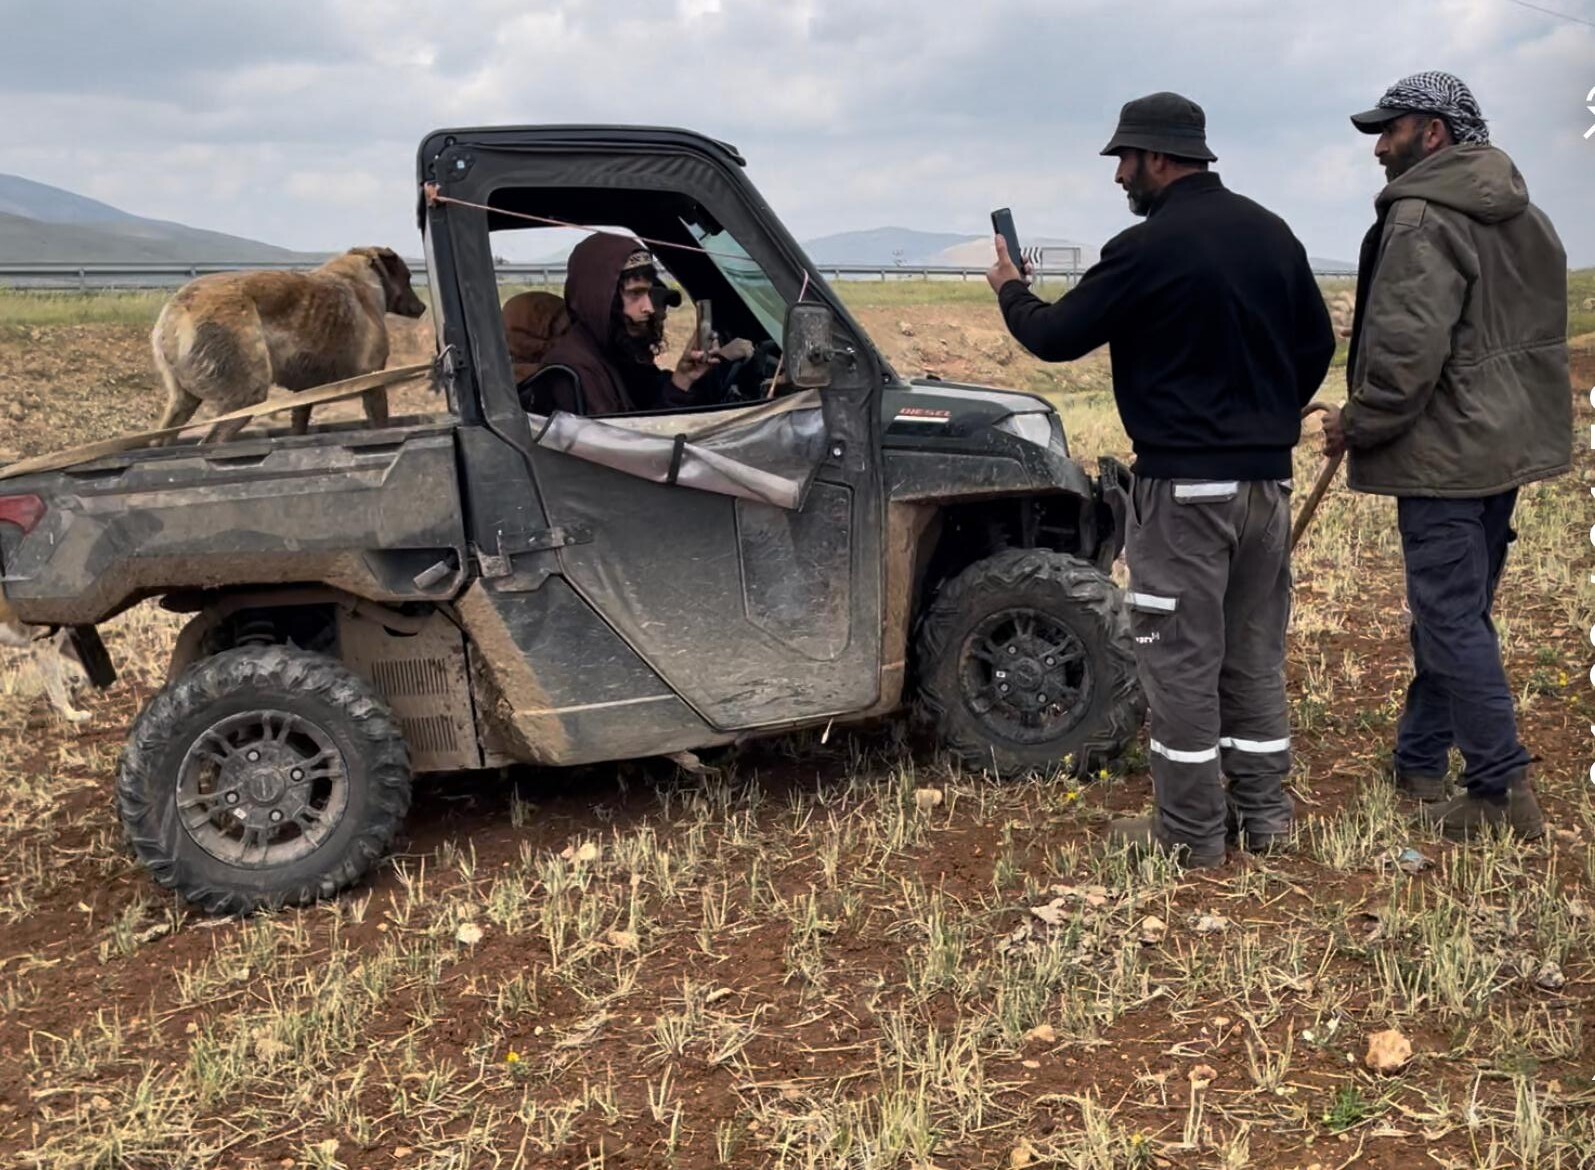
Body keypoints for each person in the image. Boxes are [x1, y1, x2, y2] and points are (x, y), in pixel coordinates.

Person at [987, 91, 1335, 867]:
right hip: (1264, 489)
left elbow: (1055, 336)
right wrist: (1264, 417)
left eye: (1123, 158)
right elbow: (1314, 344)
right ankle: (1264, 818)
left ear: (1155, 157)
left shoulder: (1144, 249)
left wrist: (1009, 286)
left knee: (1177, 662)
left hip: (1183, 494)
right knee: (1252, 653)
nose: (1118, 175)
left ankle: (1189, 833)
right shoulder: (1271, 233)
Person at [1321, 71, 1569, 841]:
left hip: (1445, 454)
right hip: (1504, 446)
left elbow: (1403, 355)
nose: (1377, 147)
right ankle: (1420, 758)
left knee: (1450, 618)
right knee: (1455, 613)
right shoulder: (1526, 215)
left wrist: (1356, 422)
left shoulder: (1421, 218)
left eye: (1388, 130)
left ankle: (1498, 790)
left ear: (1432, 132)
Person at [521, 232, 746, 416]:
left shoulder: (617, 354)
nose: (649, 307)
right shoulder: (574, 370)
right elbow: (628, 449)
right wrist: (679, 385)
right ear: (600, 299)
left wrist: (687, 376)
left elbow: (652, 399)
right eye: (635, 294)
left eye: (647, 293)